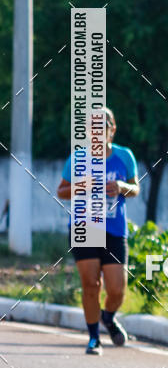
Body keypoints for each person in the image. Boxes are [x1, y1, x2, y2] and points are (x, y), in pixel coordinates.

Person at [57, 106, 139, 355]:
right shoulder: (78, 158)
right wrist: (84, 185)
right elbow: (61, 191)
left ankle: (108, 317)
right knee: (91, 285)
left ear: (111, 130)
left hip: (114, 229)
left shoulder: (124, 156)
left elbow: (135, 189)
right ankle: (94, 338)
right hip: (85, 228)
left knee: (116, 289)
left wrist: (122, 186)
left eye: (101, 127)